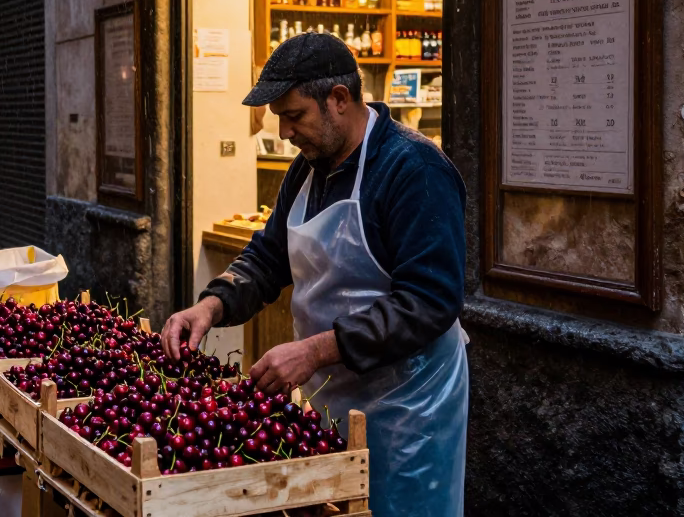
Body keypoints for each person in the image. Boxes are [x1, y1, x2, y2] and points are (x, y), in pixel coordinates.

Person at [161, 31, 469, 517]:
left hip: (409, 403)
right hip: (335, 390)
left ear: (339, 99)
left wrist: (313, 351)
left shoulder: (414, 169)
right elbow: (268, 257)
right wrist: (211, 304)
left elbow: (430, 300)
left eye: (293, 115)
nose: (283, 132)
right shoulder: (306, 170)